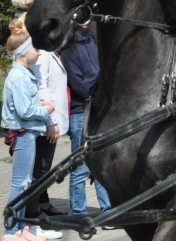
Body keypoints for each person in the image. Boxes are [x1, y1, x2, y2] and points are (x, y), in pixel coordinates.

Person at [2, 19, 53, 241]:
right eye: (36, 48)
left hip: (28, 134)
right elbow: (25, 111)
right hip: (23, 134)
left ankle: (22, 228)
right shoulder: (20, 77)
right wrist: (46, 109)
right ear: (23, 52)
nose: (39, 53)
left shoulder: (25, 74)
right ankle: (11, 230)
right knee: (20, 183)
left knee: (26, 183)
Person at [60, 26, 112, 222]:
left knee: (101, 164)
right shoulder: (69, 49)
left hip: (98, 109)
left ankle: (108, 211)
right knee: (80, 166)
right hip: (81, 111)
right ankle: (79, 213)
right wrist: (98, 96)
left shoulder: (92, 41)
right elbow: (76, 83)